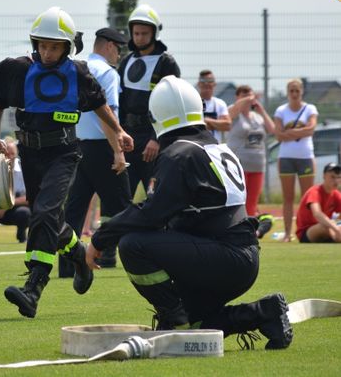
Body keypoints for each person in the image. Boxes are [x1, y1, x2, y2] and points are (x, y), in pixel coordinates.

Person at [86, 76, 293, 350]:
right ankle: (264, 313)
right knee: (199, 325)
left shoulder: (178, 154)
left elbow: (151, 214)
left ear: (156, 117)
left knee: (133, 245)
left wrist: (101, 238)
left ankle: (174, 317)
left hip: (224, 257)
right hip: (237, 256)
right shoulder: (214, 147)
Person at [0, 6, 133, 318]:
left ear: (68, 47)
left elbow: (99, 104)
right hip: (30, 153)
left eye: (54, 46)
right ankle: (79, 256)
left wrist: (119, 132)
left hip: (64, 153)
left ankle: (34, 288)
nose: (47, 52)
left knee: (44, 213)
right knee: (49, 218)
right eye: (42, 45)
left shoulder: (78, 73)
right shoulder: (18, 70)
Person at [63, 27, 132, 274]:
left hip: (77, 144)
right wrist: (118, 152)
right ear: (110, 46)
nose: (119, 55)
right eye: (119, 49)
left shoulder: (76, 69)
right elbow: (106, 114)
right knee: (123, 206)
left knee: (75, 208)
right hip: (102, 146)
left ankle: (68, 266)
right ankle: (128, 258)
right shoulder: (107, 74)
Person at [118, 4, 181, 198]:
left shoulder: (166, 63)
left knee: (157, 196)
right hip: (128, 137)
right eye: (136, 33)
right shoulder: (126, 61)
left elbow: (172, 104)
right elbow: (119, 102)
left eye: (144, 33)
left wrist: (157, 138)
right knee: (121, 195)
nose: (139, 38)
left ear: (155, 33)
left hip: (153, 138)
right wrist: (119, 134)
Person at [226, 85, 275, 238]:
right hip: (238, 165)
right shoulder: (234, 113)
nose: (249, 97)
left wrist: (261, 110)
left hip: (257, 165)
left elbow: (272, 130)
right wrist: (247, 99)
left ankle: (249, 233)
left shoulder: (258, 117)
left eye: (250, 93)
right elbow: (230, 113)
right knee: (239, 199)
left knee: (252, 201)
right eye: (244, 94)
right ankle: (236, 229)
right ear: (238, 97)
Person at [274, 78, 318, 242]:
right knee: (288, 198)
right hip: (285, 158)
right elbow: (278, 135)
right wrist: (300, 132)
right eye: (291, 90)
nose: (294, 94)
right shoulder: (281, 110)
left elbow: (311, 129)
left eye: (297, 90)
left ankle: (307, 231)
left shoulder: (310, 108)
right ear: (287, 92)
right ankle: (287, 233)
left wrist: (288, 134)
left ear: (302, 92)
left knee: (308, 198)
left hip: (306, 157)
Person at [296, 162, 341, 243]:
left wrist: (337, 224)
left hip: (326, 227)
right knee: (326, 227)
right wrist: (336, 228)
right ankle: (336, 239)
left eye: (338, 177)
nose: (336, 181)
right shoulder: (314, 191)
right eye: (332, 177)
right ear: (324, 176)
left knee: (331, 226)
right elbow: (317, 213)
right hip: (307, 231)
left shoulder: (336, 194)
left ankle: (334, 238)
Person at [197, 69, 232, 143]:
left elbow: (227, 125)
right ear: (199, 84)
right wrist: (217, 124)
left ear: (214, 84)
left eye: (210, 80)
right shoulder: (193, 102)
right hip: (198, 145)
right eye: (203, 80)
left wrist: (207, 120)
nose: (207, 83)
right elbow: (194, 127)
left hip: (215, 146)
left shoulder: (220, 103)